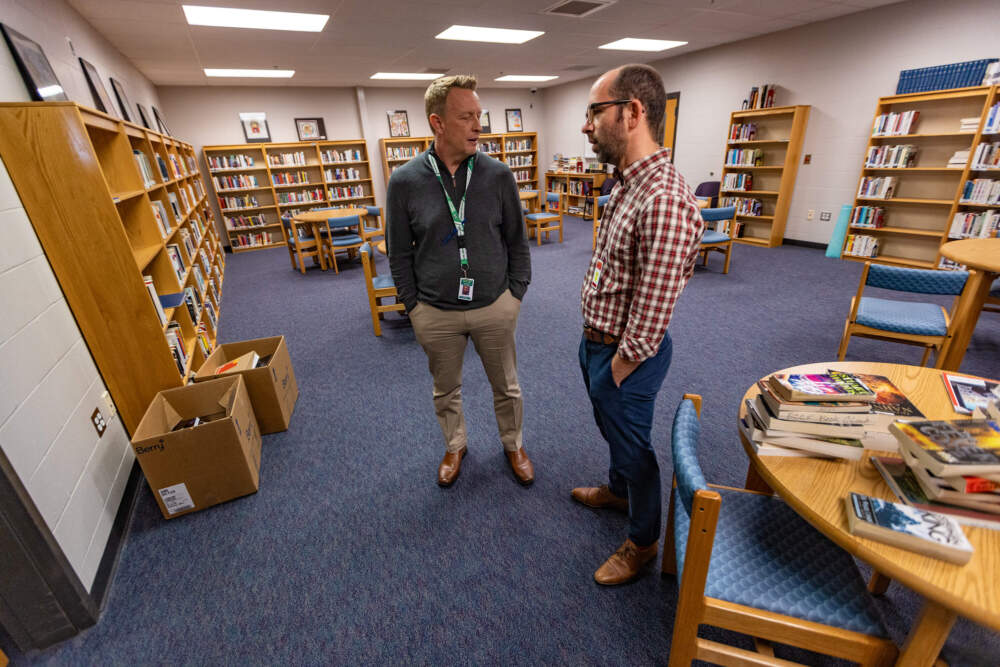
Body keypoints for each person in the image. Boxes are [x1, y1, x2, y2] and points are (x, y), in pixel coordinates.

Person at [573, 64, 705, 585]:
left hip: (628, 353)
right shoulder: (627, 182)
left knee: (634, 446)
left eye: (593, 112)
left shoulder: (664, 198)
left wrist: (619, 367)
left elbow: (652, 312)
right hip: (599, 341)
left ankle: (643, 541)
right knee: (613, 433)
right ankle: (618, 490)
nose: (586, 126)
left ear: (632, 113)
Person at [387, 75, 534, 488]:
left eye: (479, 116)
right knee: (445, 389)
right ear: (438, 122)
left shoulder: (499, 175)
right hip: (434, 311)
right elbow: (398, 251)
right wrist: (413, 308)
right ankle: (455, 445)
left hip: (494, 305)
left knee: (507, 386)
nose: (477, 126)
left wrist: (515, 295)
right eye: (466, 117)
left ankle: (513, 444)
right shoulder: (405, 181)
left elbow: (517, 242)